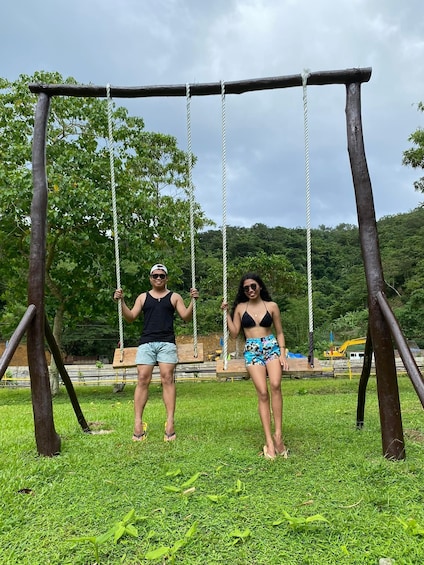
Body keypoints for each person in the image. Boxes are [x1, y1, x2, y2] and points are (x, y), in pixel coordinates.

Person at [114, 264, 199, 442]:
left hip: (167, 343)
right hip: (146, 343)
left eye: (162, 276)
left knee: (167, 377)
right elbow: (130, 318)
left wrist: (193, 301)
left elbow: (186, 316)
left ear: (166, 278)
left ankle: (170, 422)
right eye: (155, 276)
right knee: (143, 378)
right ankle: (137, 423)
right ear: (150, 278)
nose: (158, 279)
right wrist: (121, 302)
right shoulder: (143, 297)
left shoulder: (174, 297)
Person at [221, 273, 288, 460]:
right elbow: (234, 333)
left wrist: (282, 353)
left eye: (253, 286)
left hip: (271, 346)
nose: (250, 290)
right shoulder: (241, 308)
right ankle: (268, 441)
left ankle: (278, 435)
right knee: (263, 392)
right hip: (252, 349)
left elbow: (280, 332)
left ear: (260, 287)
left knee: (275, 385)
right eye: (246, 288)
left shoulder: (272, 306)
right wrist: (226, 313)